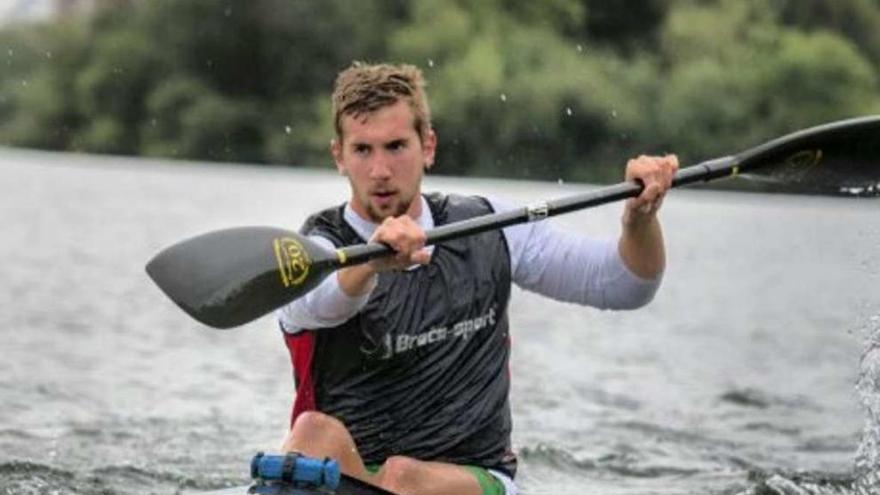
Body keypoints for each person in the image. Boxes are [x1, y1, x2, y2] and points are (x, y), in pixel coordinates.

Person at [276, 62, 677, 495]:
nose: (380, 171)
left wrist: (639, 221)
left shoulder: (490, 226)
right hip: (351, 477)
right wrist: (371, 264)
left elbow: (624, 285)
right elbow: (314, 306)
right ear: (339, 156)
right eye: (362, 150)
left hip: (469, 477)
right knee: (311, 434)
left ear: (427, 146)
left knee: (404, 477)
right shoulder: (316, 249)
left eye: (395, 146)